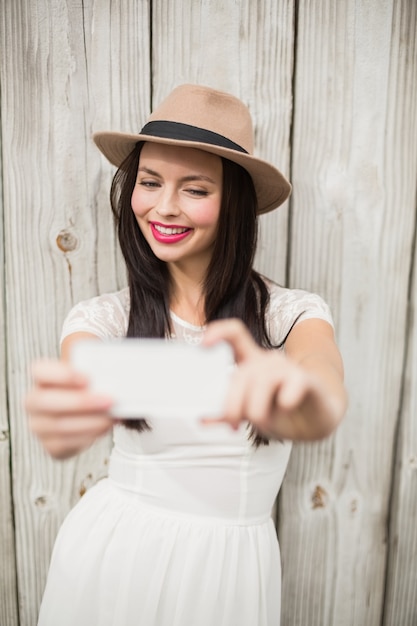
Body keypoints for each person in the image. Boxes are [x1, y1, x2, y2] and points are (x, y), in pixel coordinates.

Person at [26, 84, 347, 626]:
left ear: (235, 204)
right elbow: (89, 377)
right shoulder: (101, 319)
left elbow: (323, 387)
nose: (164, 206)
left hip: (230, 574)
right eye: (149, 182)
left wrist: (300, 397)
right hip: (110, 558)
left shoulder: (290, 315)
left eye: (195, 189)